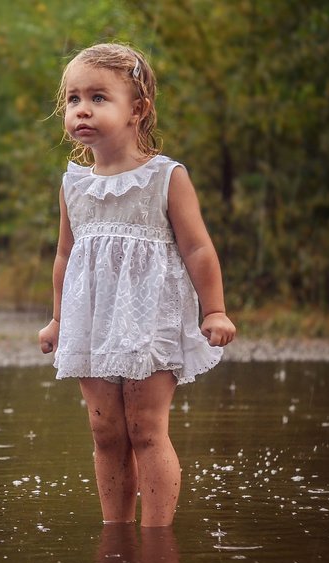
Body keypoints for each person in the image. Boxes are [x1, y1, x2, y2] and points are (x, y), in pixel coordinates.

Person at [37, 43, 236, 527]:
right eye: (73, 99)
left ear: (137, 109)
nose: (82, 108)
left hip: (151, 319)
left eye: (99, 97)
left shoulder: (165, 177)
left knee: (145, 428)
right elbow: (65, 256)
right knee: (106, 433)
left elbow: (198, 250)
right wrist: (60, 319)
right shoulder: (74, 185)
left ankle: (157, 538)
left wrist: (214, 310)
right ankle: (116, 534)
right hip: (93, 322)